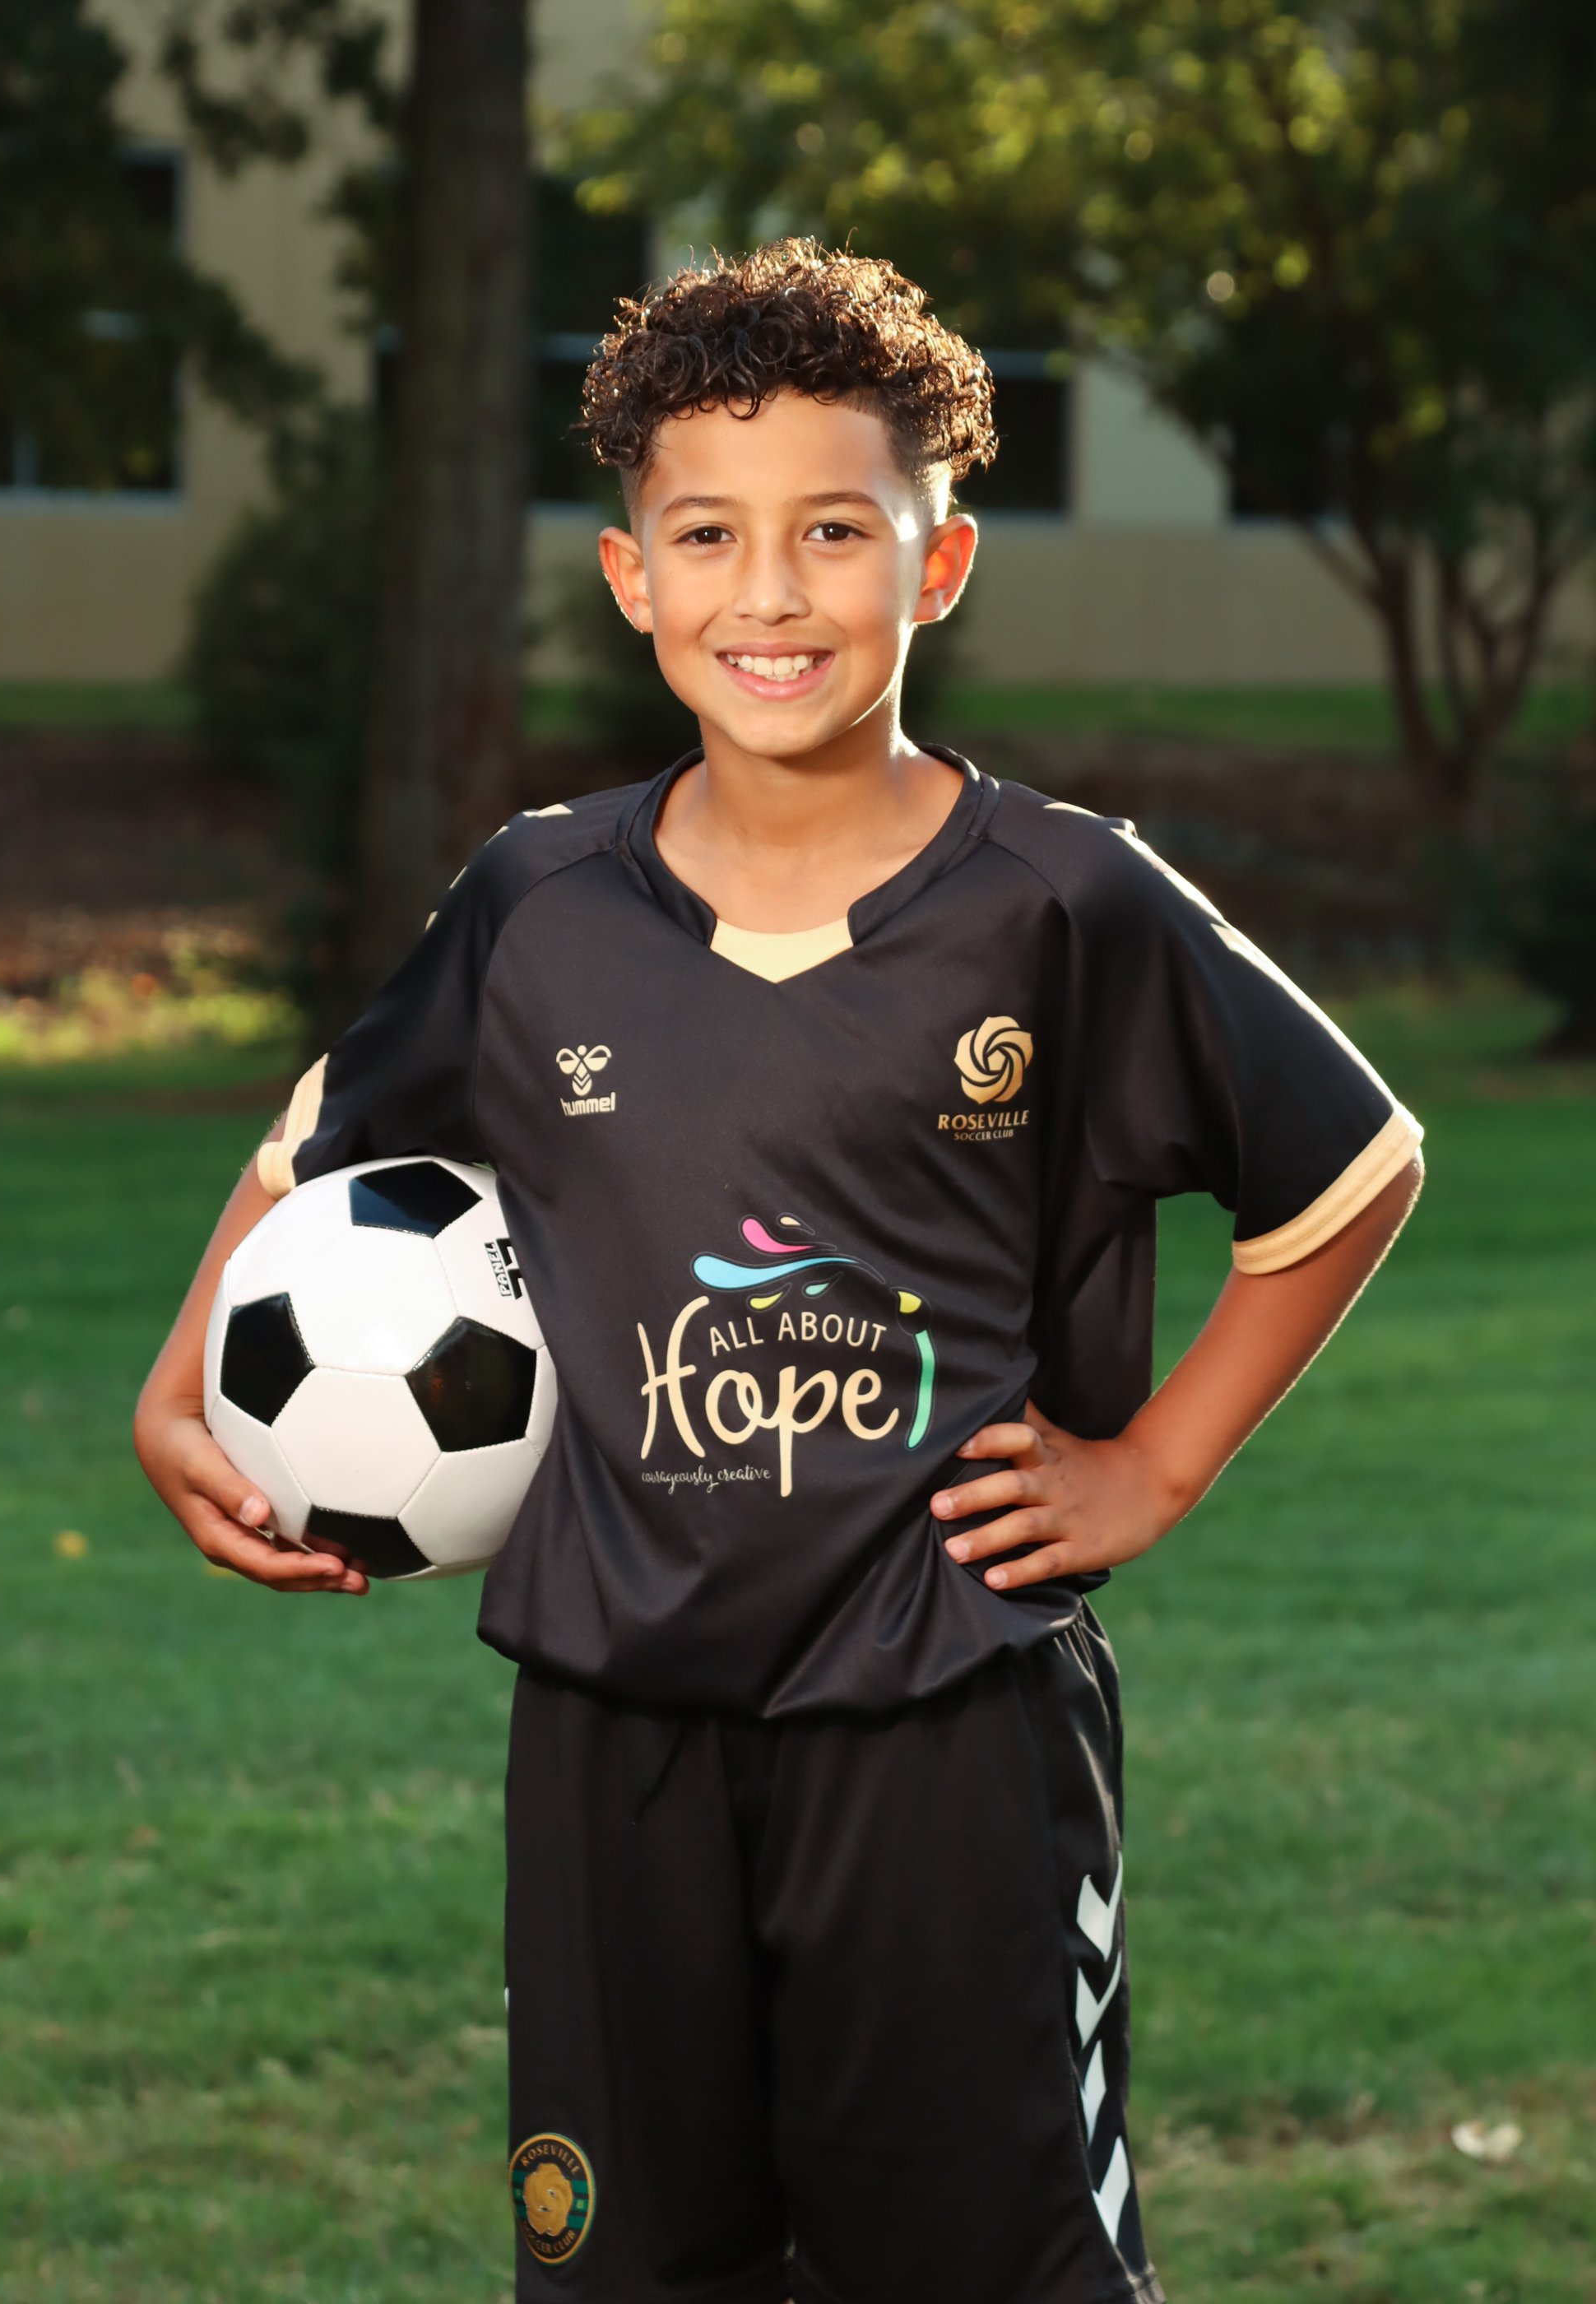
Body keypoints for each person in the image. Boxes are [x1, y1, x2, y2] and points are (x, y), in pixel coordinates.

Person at [135, 240, 1423, 2304]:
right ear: (629, 577)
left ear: (939, 562)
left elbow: (1352, 1166)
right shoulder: (538, 901)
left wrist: (1153, 1465)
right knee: (631, 2267)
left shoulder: (1062, 902)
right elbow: (316, 1144)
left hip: (946, 1718)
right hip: (611, 1724)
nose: (770, 591)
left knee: (983, 2263)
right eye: (707, 535)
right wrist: (181, 1375)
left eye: (834, 529)